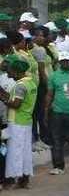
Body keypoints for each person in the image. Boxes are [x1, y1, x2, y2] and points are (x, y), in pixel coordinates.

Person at [45, 50, 69, 175]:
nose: (65, 63)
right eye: (62, 61)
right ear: (59, 62)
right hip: (57, 111)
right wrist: (46, 110)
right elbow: (50, 94)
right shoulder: (54, 76)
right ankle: (58, 166)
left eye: (67, 61)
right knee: (57, 139)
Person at [0, 54, 36, 188]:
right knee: (25, 151)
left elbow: (16, 104)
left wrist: (3, 99)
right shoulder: (30, 82)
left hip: (17, 122)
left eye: (10, 71)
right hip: (26, 121)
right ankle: (24, 179)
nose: (9, 74)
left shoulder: (20, 85)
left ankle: (14, 179)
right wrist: (3, 93)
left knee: (15, 152)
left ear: (17, 72)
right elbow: (15, 98)